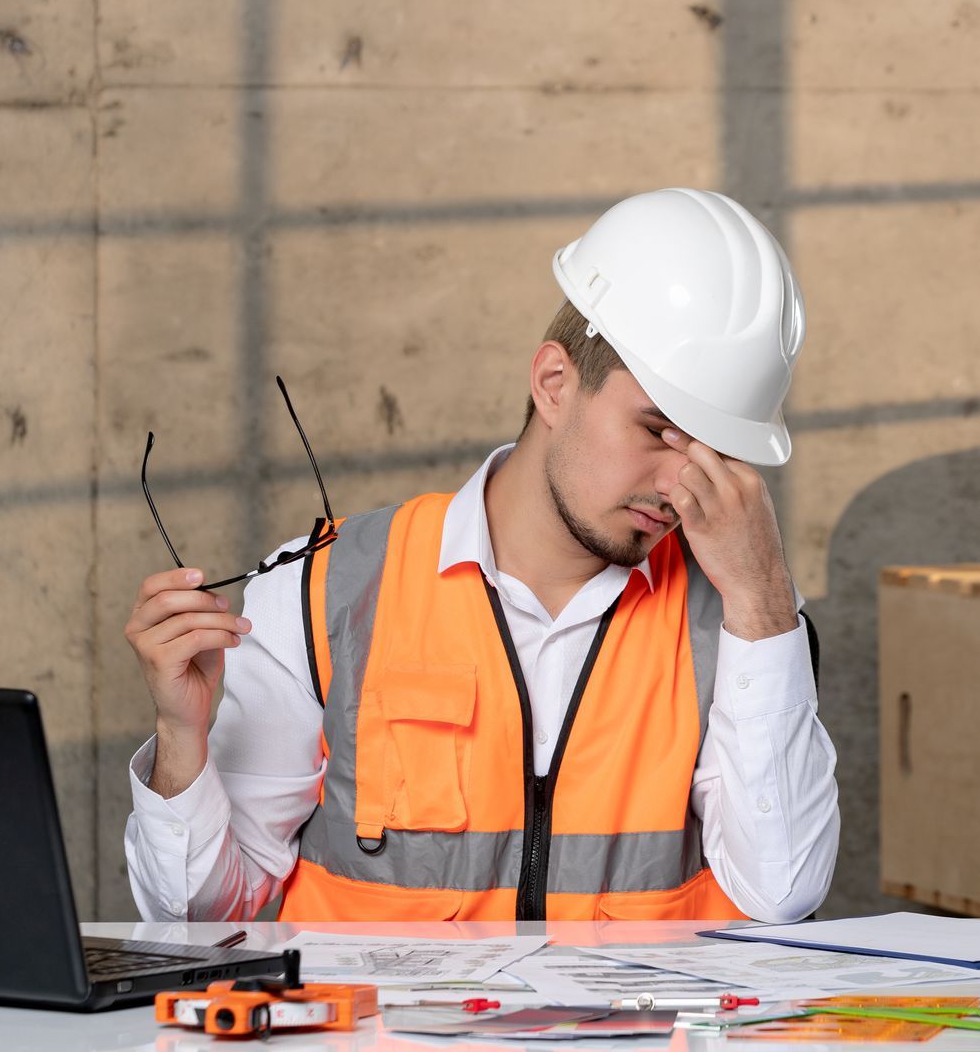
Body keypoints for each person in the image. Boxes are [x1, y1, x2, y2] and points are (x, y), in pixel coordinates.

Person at [122, 187, 840, 922]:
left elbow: (781, 893)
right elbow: (201, 923)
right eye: (658, 431)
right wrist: (182, 737)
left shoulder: (744, 620)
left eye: (716, 452)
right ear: (554, 384)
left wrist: (761, 601)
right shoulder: (324, 592)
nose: (679, 485)